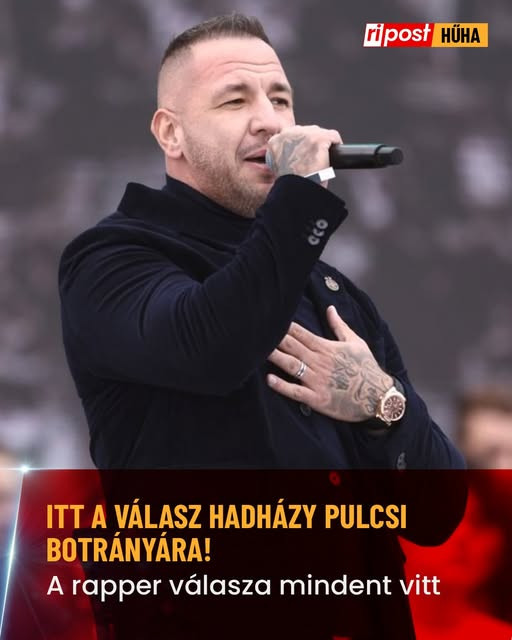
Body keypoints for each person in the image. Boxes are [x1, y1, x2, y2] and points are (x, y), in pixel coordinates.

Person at [58, 13, 464, 471]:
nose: (270, 121)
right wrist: (301, 197)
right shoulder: (110, 260)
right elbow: (212, 348)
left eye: (280, 100)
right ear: (171, 133)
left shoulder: (332, 292)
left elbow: (443, 502)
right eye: (235, 101)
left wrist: (381, 403)